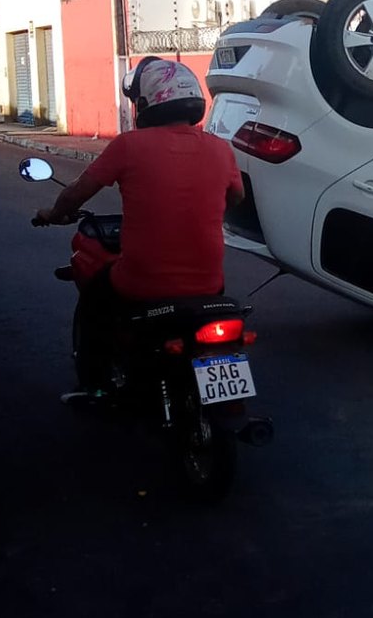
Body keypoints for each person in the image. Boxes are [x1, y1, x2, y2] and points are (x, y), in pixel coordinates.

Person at [34, 57, 245, 402]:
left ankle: (95, 384)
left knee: (94, 301)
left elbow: (77, 192)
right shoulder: (220, 149)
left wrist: (53, 212)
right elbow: (236, 198)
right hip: (209, 283)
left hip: (141, 280)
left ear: (145, 104)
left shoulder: (128, 146)